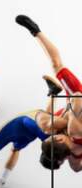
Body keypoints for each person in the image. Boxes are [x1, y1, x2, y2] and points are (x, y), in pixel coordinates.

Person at [15, 15, 82, 171]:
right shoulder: (73, 131)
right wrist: (68, 115)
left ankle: (35, 31)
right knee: (56, 64)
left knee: (47, 126)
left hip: (70, 114)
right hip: (77, 97)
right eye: (52, 137)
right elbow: (78, 96)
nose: (51, 135)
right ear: (58, 138)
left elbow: (77, 169)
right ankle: (36, 32)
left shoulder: (73, 155)